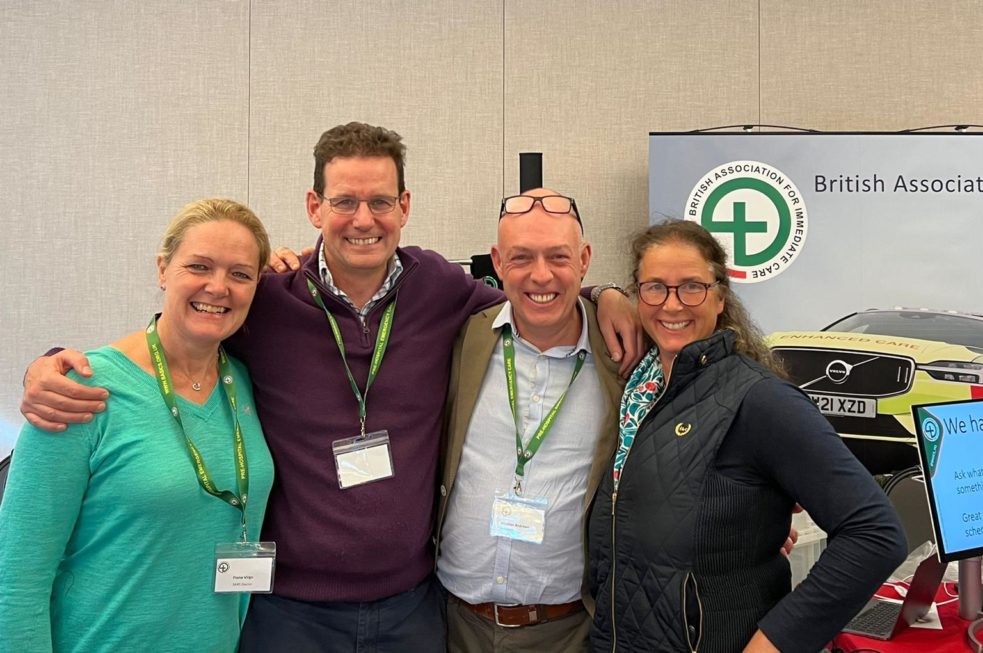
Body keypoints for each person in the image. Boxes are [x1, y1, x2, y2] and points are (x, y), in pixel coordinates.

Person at [19, 122, 642, 652]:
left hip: (411, 607)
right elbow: (181, 334)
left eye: (380, 201)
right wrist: (57, 366)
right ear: (315, 207)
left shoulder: (439, 288)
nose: (363, 219)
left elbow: (533, 297)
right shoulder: (267, 298)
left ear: (405, 206)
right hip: (287, 611)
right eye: (345, 201)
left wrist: (607, 296)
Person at [587, 220, 908, 653]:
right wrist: (600, 293)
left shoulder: (760, 401)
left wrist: (776, 642)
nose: (672, 304)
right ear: (637, 296)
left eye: (692, 287)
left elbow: (875, 533)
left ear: (720, 297)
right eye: (655, 287)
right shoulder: (637, 391)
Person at [0, 199, 275, 652]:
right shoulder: (79, 391)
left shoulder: (245, 383)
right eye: (199, 266)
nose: (218, 287)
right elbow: (15, 579)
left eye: (240, 274)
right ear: (163, 269)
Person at [437, 188, 626, 653]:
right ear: (498, 262)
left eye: (558, 256)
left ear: (584, 259)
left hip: (569, 631)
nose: (541, 275)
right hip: (453, 625)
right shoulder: (462, 336)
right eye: (522, 257)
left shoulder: (624, 353)